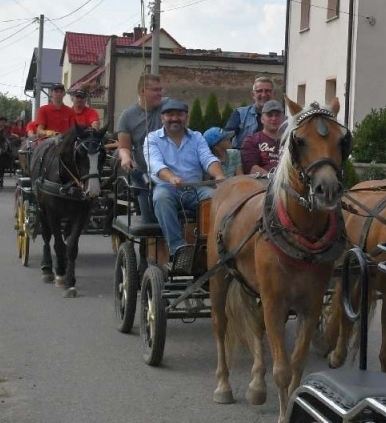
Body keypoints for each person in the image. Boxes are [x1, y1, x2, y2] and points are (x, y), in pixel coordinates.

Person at [144, 98, 225, 274]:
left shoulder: (197, 137)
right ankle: (178, 251)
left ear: (185, 117)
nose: (174, 118)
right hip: (167, 188)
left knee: (217, 198)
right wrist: (171, 177)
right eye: (170, 114)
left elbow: (207, 158)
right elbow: (155, 164)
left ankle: (213, 249)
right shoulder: (152, 139)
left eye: (179, 114)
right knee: (161, 198)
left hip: (195, 189)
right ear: (162, 117)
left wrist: (218, 175)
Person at [115, 72, 165, 218]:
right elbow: (124, 146)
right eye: (156, 90)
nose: (160, 94)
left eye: (161, 90)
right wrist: (125, 157)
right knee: (148, 215)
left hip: (169, 169)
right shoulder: (127, 115)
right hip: (143, 172)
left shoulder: (168, 107)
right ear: (143, 91)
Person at [221, 76, 277, 145]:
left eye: (267, 91)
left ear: (273, 94)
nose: (263, 95)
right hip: (242, 154)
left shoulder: (282, 119)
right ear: (253, 95)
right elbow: (226, 136)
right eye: (259, 91)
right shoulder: (240, 114)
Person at [240, 99, 286, 176]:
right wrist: (274, 179)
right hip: (262, 183)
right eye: (269, 115)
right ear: (262, 119)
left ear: (283, 118)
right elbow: (252, 168)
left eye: (277, 115)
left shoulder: (292, 140)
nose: (274, 119)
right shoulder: (251, 140)